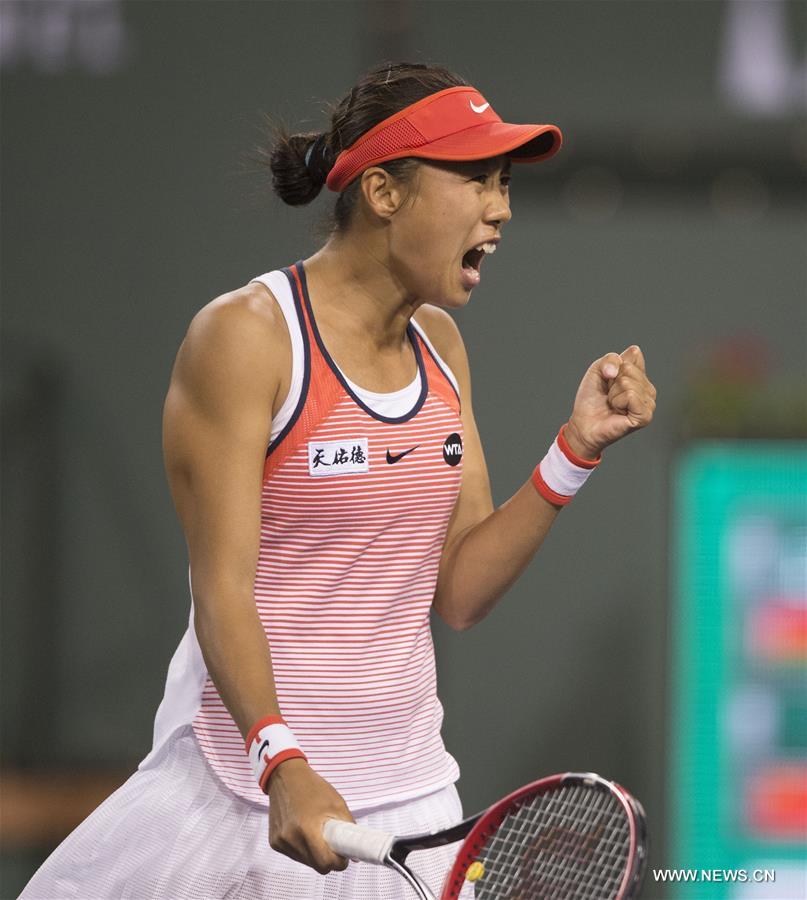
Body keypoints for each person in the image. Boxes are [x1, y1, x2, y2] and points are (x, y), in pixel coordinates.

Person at [20, 61, 656, 899]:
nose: (500, 209)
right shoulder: (245, 338)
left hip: (409, 803)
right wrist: (282, 762)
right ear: (385, 192)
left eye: (503, 184)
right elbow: (223, 588)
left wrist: (574, 450)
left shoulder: (441, 348)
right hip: (242, 788)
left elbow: (459, 592)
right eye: (474, 181)